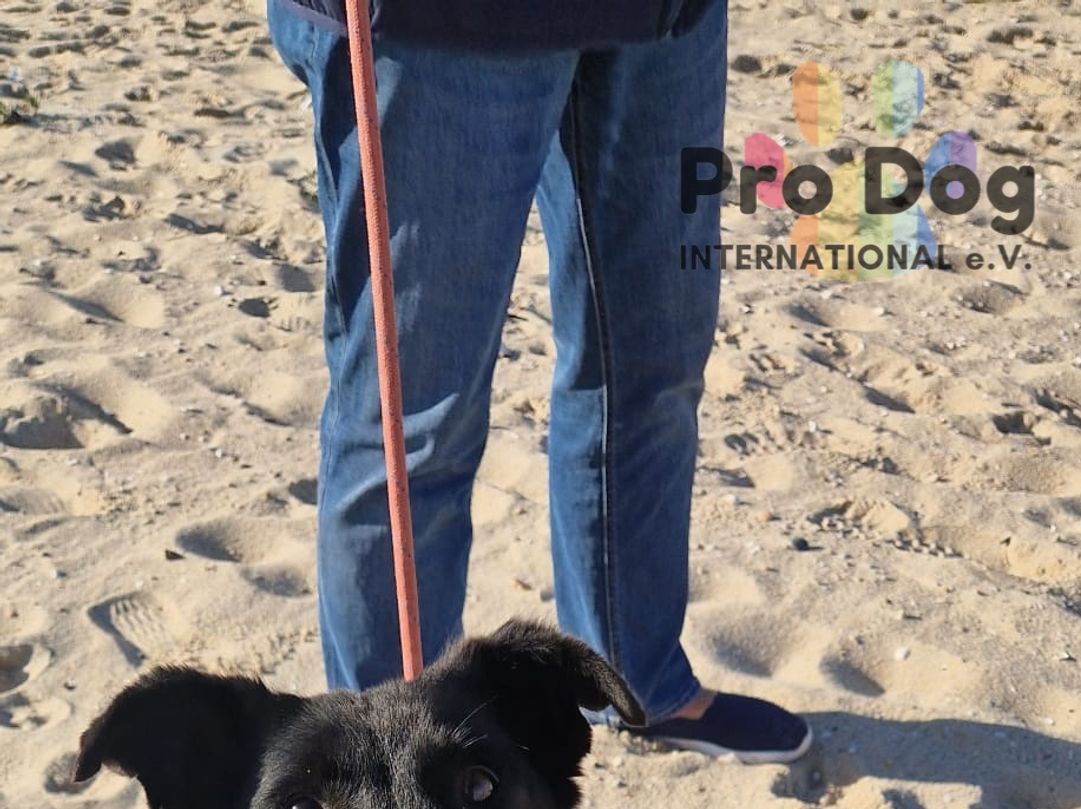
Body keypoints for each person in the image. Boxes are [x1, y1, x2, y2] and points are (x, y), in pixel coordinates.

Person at [266, 0, 812, 763]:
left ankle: (636, 680)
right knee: (413, 423)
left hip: (664, 19)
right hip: (434, 27)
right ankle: (393, 768)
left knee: (651, 374)